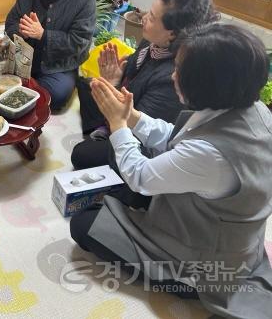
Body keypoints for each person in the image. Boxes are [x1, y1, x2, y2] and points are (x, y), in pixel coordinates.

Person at [70, 23, 272, 318]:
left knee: (84, 224)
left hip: (203, 253)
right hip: (220, 226)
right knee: (103, 166)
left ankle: (187, 282)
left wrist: (117, 124)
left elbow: (141, 177)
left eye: (179, 70)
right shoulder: (253, 109)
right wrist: (132, 117)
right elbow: (177, 136)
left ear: (205, 84)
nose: (173, 75)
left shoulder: (211, 154)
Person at [72, 0, 219, 169]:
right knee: (87, 85)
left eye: (152, 17)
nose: (144, 19)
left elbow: (136, 127)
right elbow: (131, 72)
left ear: (172, 34)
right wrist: (115, 78)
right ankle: (103, 128)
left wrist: (114, 87)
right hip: (126, 106)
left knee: (81, 155)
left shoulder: (173, 78)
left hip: (139, 139)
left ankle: (105, 132)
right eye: (149, 12)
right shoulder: (153, 41)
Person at [5, 0, 96, 110]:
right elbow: (10, 24)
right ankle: (26, 87)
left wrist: (43, 35)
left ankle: (29, 90)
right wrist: (23, 31)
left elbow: (79, 43)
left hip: (58, 67)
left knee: (54, 96)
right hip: (24, 62)